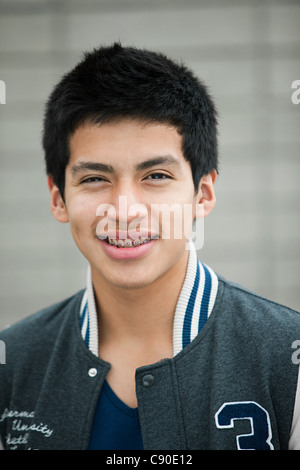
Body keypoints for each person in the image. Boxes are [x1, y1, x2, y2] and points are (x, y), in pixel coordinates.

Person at [0, 43, 300, 451]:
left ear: (203, 193)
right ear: (58, 198)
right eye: (94, 179)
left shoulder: (288, 356)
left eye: (156, 175)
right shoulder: (12, 362)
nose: (124, 212)